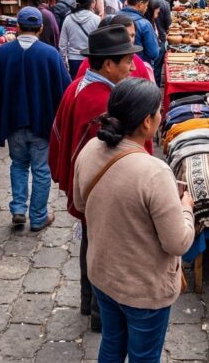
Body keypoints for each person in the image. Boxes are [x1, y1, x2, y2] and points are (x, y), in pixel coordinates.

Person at [74, 79, 195, 362]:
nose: (161, 116)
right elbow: (178, 242)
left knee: (112, 343)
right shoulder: (154, 172)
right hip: (144, 289)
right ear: (146, 122)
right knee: (143, 356)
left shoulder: (92, 148)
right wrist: (186, 207)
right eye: (159, 111)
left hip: (104, 275)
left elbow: (81, 205)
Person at [49, 25, 145, 329]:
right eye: (127, 61)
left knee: (91, 243)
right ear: (108, 64)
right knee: (103, 250)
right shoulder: (101, 101)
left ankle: (87, 302)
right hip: (97, 192)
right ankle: (100, 316)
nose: (132, 67)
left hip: (84, 186)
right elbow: (107, 158)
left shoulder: (79, 86)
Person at [0, 7, 71, 229]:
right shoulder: (50, 54)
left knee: (18, 164)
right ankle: (38, 216)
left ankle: (19, 208)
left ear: (18, 27)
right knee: (41, 169)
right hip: (42, 124)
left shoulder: (3, 53)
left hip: (13, 123)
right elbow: (65, 91)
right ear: (41, 28)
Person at [76, 16, 153, 81]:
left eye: (132, 35)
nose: (130, 40)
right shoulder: (90, 62)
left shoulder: (138, 62)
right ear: (108, 64)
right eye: (125, 36)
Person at [60, 0, 101, 79]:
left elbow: (62, 44)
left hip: (73, 60)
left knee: (75, 86)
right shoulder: (97, 19)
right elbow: (100, 43)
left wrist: (64, 62)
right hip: (91, 59)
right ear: (92, 3)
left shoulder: (68, 19)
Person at [122, 0, 160, 65]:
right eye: (146, 6)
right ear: (140, 4)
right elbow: (154, 53)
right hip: (139, 67)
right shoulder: (144, 24)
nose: (146, 9)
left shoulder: (113, 18)